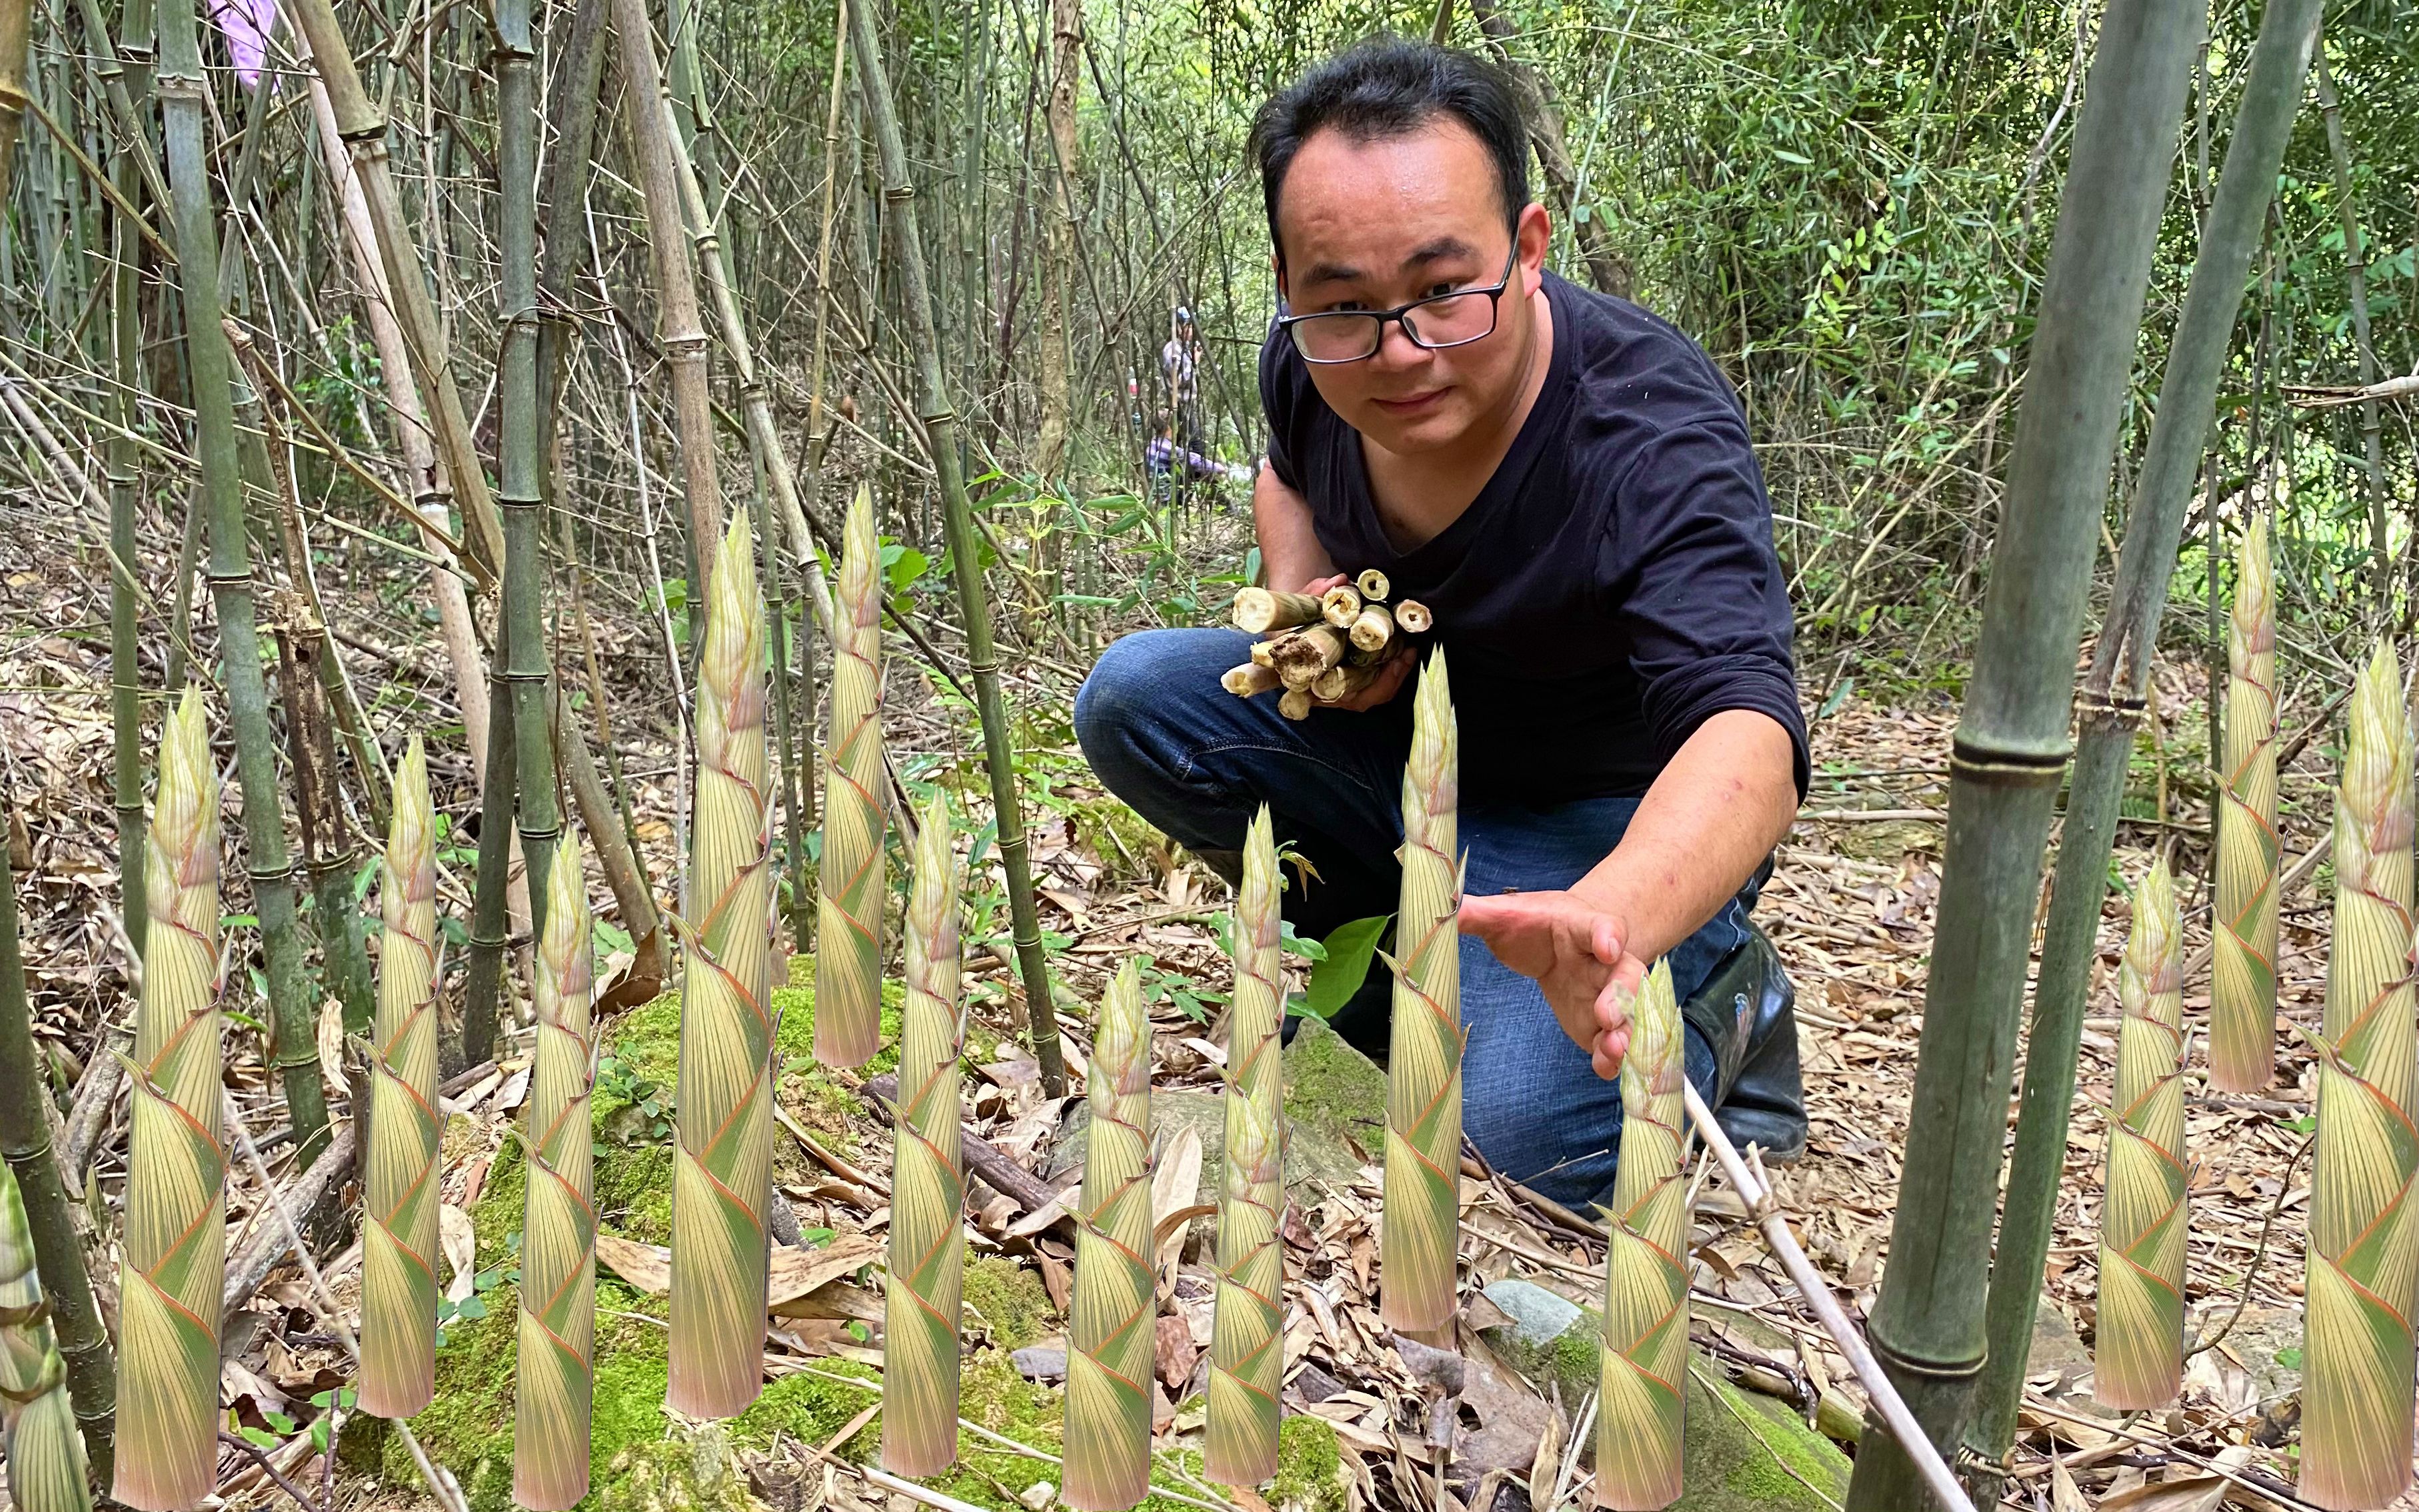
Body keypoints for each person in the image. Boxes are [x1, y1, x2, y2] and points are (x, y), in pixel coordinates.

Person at [1075, 37, 1806, 1205]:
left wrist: (1607, 918)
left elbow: (1751, 739)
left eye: (1440, 291)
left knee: (1524, 1148)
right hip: (1413, 766)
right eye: (1345, 307)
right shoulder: (1308, 365)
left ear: (1526, 249)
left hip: (1602, 826)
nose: (1397, 349)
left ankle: (1736, 1010)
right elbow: (1287, 475)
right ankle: (1395, 982)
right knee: (1136, 700)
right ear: (1292, 289)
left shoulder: (1647, 432)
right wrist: (1310, 599)